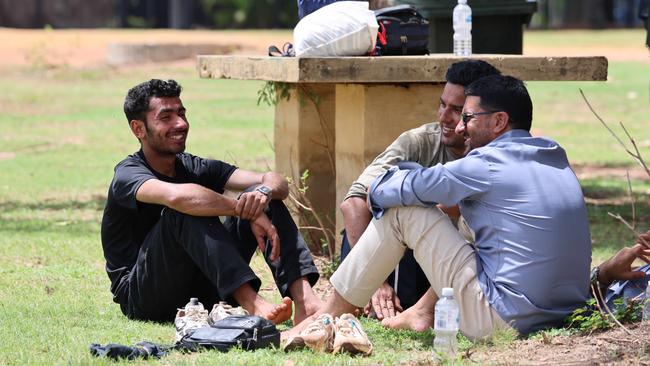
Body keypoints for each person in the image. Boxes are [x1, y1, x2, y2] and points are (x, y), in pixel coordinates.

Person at [286, 74, 592, 341]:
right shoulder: (553, 155)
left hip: (503, 320)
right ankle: (417, 311)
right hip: (562, 314)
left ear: (498, 121)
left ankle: (325, 317)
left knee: (404, 212)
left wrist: (378, 190)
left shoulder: (487, 163)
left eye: (468, 117)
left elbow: (403, 189)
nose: (459, 128)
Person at [100, 79, 322, 326]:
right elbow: (178, 197)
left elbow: (276, 181)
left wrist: (262, 195)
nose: (181, 124)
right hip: (145, 295)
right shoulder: (128, 173)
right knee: (183, 209)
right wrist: (241, 209)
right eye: (166, 117)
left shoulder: (193, 166)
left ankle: (306, 302)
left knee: (263, 200)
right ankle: (254, 304)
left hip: (203, 289)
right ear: (138, 129)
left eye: (182, 113)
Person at [339, 60, 501, 320]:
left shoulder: (498, 155)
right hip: (407, 262)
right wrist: (376, 282)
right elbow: (355, 201)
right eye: (442, 104)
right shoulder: (418, 142)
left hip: (465, 268)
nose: (445, 117)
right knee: (400, 213)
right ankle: (387, 303)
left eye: (458, 110)